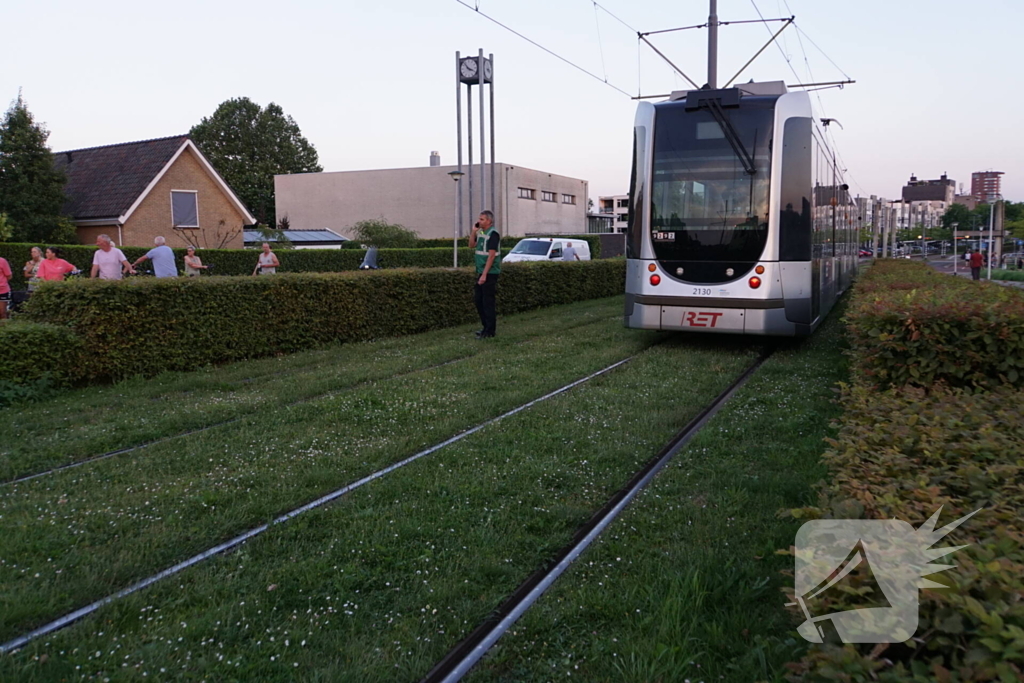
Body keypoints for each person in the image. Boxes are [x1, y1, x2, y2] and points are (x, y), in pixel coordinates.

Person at [468, 210, 502, 339]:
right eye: (479, 219)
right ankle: (485, 327)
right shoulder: (482, 232)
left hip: (490, 273)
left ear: (489, 221)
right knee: (479, 300)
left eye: (482, 219)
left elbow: (492, 256)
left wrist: (484, 275)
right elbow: (471, 245)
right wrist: (473, 232)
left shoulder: (493, 234)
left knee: (488, 302)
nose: (479, 221)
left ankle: (489, 331)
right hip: (481, 271)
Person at [0, 254, 11, 319]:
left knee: (2, 312)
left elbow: (9, 276)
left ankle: (4, 328)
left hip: (3, 290)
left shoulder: (2, 261)